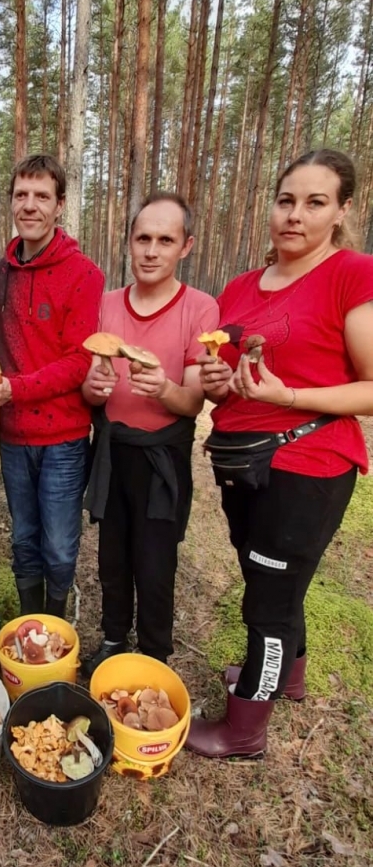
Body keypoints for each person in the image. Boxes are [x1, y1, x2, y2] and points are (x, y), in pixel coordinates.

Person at [188, 149, 373, 759]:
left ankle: (244, 733)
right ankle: (287, 677)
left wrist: (288, 394)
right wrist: (216, 380)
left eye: (315, 202)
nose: (295, 215)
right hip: (243, 460)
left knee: (267, 600)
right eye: (287, 200)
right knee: (268, 578)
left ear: (341, 211)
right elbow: (228, 373)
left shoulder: (352, 274)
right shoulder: (242, 285)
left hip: (308, 465)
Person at [81, 193, 219, 676]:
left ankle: (156, 652)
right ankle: (115, 637)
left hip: (163, 455)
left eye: (166, 239)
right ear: (129, 243)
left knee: (156, 560)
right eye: (143, 238)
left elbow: (194, 402)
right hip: (113, 451)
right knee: (112, 554)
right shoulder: (105, 306)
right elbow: (91, 386)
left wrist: (164, 388)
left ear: (186, 246)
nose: (152, 250)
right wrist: (94, 388)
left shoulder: (201, 309)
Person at [0, 153, 104, 617]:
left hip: (64, 439)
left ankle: (55, 623)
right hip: (11, 436)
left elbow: (80, 359)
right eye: (21, 195)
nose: (30, 206)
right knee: (23, 537)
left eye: (42, 196)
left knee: (60, 545)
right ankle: (31, 621)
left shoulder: (84, 275)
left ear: (60, 205)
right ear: (11, 201)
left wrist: (16, 390)